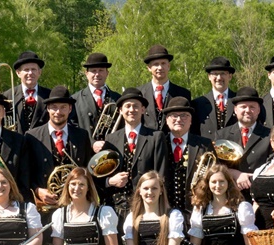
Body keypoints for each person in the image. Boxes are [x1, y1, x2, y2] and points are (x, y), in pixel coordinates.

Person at [25, 86, 94, 245]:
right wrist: (38, 190)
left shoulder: (82, 136)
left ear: (70, 109)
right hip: (46, 208)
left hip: (75, 207)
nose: (58, 112)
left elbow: (87, 171)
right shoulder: (32, 137)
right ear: (47, 109)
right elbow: (26, 173)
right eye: (54, 107)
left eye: (63, 107)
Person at [99, 88, 169, 218]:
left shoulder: (156, 137)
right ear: (120, 110)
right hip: (116, 207)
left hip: (147, 206)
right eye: (127, 106)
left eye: (136, 106)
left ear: (143, 110)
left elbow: (161, 173)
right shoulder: (111, 139)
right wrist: (110, 181)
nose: (132, 110)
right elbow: (100, 176)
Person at [156, 97, 215, 220]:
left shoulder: (204, 144)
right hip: (163, 211)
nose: (179, 119)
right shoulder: (158, 143)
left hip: (195, 210)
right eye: (174, 116)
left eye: (184, 115)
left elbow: (213, 174)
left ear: (191, 120)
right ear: (167, 120)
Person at [211, 87, 272, 201]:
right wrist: (235, 173)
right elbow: (215, 166)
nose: (247, 110)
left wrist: (252, 178)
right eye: (243, 107)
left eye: (252, 107)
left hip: (261, 197)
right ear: (235, 110)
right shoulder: (221, 135)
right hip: (229, 197)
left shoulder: (270, 135)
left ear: (258, 110)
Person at [70, 53, 121, 148]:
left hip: (113, 150)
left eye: (101, 70)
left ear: (107, 73)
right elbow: (72, 128)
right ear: (86, 74)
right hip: (86, 152)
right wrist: (91, 143)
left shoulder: (118, 98)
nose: (97, 74)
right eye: (93, 71)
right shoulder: (74, 99)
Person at [137, 45, 191, 131]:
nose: (160, 68)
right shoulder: (139, 93)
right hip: (147, 143)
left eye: (163, 63)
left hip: (173, 143)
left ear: (168, 66)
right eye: (156, 64)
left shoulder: (183, 93)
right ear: (149, 68)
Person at [2, 51, 51, 134]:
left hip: (42, 145)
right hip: (16, 145)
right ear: (18, 73)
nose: (30, 73)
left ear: (39, 72)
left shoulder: (50, 95)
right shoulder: (7, 96)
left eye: (33, 69)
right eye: (26, 70)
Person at [192, 57, 238, 138]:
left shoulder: (238, 100)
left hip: (234, 149)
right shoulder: (198, 104)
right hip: (207, 149)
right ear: (209, 76)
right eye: (215, 74)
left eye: (223, 73)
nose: (219, 78)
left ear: (230, 76)